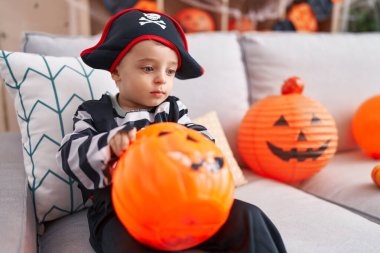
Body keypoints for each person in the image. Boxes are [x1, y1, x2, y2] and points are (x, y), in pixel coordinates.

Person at [57, 8, 287, 253]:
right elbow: (69, 155)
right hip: (121, 211)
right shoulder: (94, 112)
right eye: (148, 69)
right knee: (125, 244)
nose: (161, 79)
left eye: (170, 71)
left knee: (249, 217)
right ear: (116, 72)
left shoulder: (172, 109)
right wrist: (110, 144)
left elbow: (201, 140)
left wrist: (196, 143)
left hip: (186, 201)